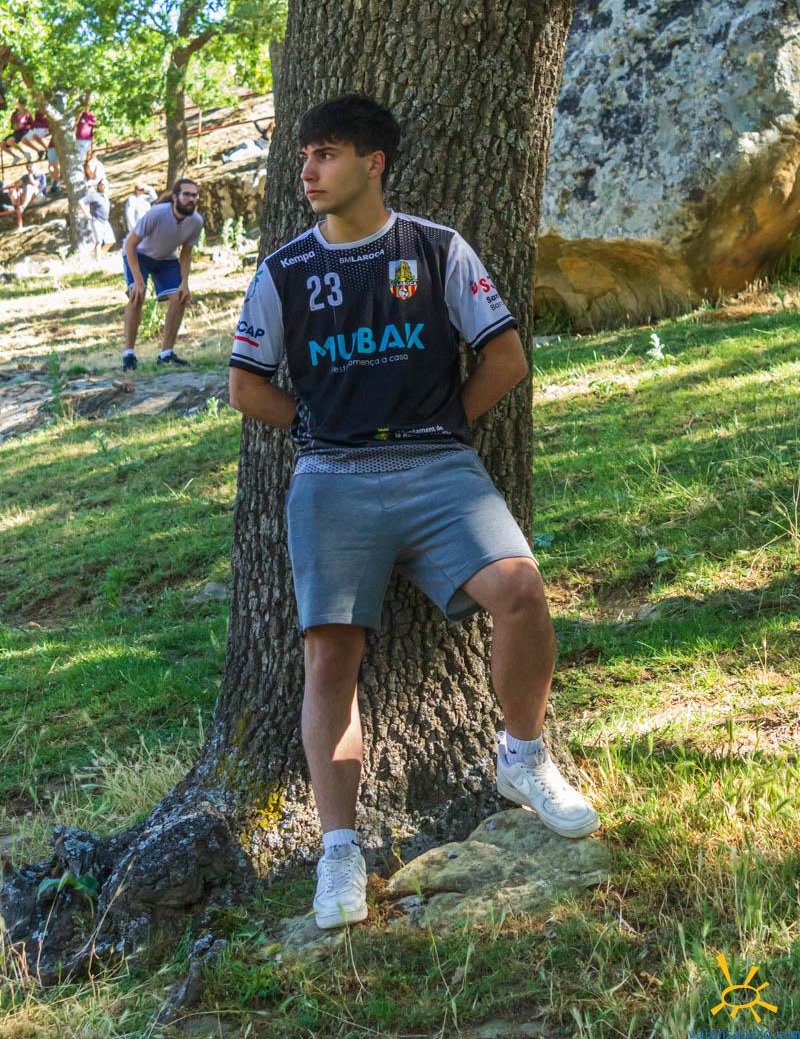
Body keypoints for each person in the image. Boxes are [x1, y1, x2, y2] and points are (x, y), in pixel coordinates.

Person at [228, 94, 600, 932]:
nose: (307, 171)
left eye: (326, 154)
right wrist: (316, 430)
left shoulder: (435, 249)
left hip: (439, 469)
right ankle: (339, 851)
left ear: (374, 164)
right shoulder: (285, 270)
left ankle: (522, 758)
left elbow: (506, 356)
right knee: (330, 655)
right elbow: (246, 385)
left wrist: (443, 425)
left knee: (521, 589)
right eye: (304, 155)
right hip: (332, 478)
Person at [121, 177, 204, 371]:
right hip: (139, 254)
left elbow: (186, 253)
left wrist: (184, 282)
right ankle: (129, 354)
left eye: (195, 195)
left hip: (166, 258)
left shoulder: (196, 222)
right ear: (175, 197)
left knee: (180, 297)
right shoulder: (157, 214)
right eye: (186, 194)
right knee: (137, 295)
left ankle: (166, 354)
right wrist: (138, 281)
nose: (191, 199)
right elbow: (130, 244)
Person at [78, 178, 115, 257]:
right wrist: (87, 214)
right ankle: (98, 260)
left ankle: (98, 255)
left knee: (110, 241)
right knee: (99, 241)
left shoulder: (105, 196)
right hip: (96, 220)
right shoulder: (94, 195)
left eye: (106, 185)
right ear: (99, 186)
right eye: (103, 184)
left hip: (105, 221)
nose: (105, 186)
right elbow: (81, 202)